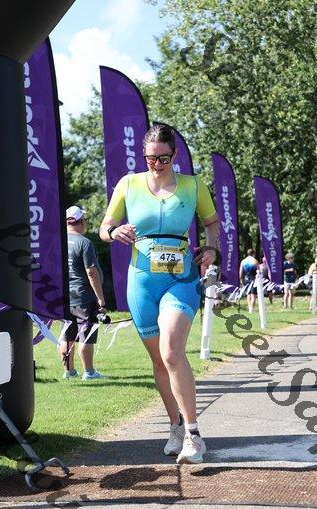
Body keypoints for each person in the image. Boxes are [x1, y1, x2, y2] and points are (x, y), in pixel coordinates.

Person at [99, 124, 219, 464]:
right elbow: (104, 228)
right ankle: (176, 426)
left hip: (180, 279)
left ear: (174, 155)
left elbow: (211, 223)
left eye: (163, 158)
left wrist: (211, 248)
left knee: (171, 352)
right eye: (151, 158)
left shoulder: (193, 185)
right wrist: (114, 231)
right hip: (141, 283)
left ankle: (194, 435)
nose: (157, 164)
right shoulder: (128, 184)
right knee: (158, 360)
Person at [59, 205, 107, 381]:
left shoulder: (58, 242)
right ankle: (89, 372)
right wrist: (100, 299)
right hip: (83, 296)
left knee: (67, 335)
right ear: (80, 221)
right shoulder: (85, 243)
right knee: (85, 334)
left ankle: (69, 371)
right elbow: (91, 272)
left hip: (64, 297)